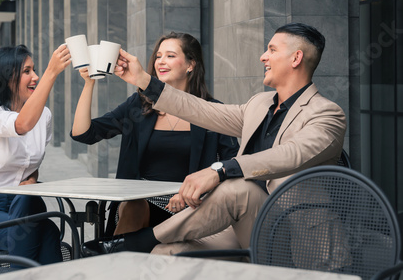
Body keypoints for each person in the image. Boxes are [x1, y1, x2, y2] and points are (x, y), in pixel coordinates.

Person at [81, 22, 347, 258]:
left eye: (272, 50)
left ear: (296, 58)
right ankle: (138, 244)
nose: (262, 56)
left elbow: (292, 154)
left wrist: (220, 170)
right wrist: (143, 80)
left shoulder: (327, 113)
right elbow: (204, 110)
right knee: (166, 252)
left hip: (293, 236)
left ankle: (134, 242)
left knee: (237, 188)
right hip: (243, 224)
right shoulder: (259, 104)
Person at [71, 32, 239, 236]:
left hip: (192, 205)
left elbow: (233, 163)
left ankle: (114, 257)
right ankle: (116, 257)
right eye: (158, 56)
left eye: (170, 55)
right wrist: (89, 83)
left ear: (190, 64)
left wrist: (196, 191)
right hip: (141, 203)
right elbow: (84, 134)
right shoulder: (138, 106)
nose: (160, 61)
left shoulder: (212, 111)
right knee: (135, 206)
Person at [0, 44, 71, 267]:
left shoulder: (43, 116)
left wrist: (32, 180)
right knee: (44, 231)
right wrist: (51, 72)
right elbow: (21, 124)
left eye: (35, 70)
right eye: (27, 71)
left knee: (37, 217)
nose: (35, 76)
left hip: (22, 205)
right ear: (6, 77)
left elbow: (31, 165)